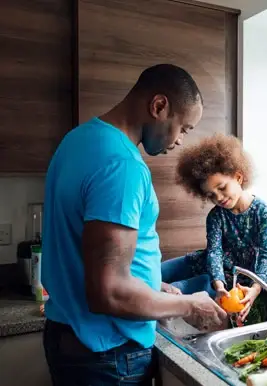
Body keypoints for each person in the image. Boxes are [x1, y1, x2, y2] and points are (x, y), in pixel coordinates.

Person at [41, 64, 228, 386]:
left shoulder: (78, 140)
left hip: (68, 335)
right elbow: (109, 293)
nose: (181, 140)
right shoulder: (122, 166)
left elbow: (87, 252)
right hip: (107, 353)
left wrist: (152, 283)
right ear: (159, 106)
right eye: (183, 128)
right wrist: (188, 303)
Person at [161, 134, 267, 327]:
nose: (219, 197)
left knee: (170, 294)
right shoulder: (216, 215)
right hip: (203, 266)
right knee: (148, 273)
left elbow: (266, 255)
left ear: (239, 177)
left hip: (219, 281)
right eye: (211, 195)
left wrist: (255, 289)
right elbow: (214, 252)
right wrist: (219, 283)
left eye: (222, 188)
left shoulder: (262, 212)